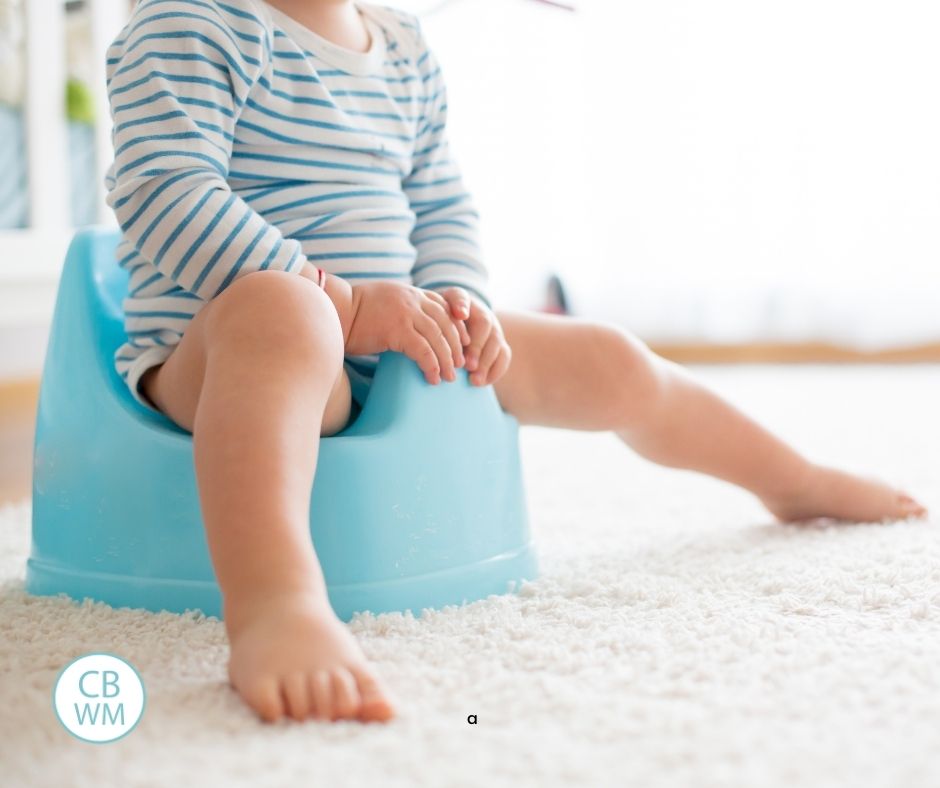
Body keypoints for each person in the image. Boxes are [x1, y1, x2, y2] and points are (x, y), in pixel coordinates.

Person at [104, 0, 926, 724]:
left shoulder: (402, 48)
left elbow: (441, 204)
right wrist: (344, 305)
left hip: (395, 338)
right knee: (286, 311)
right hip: (221, 357)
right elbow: (163, 189)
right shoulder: (193, 19)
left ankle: (791, 479)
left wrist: (460, 298)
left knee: (607, 359)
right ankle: (275, 606)